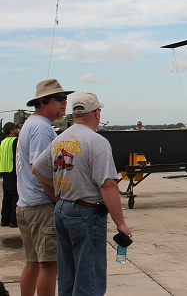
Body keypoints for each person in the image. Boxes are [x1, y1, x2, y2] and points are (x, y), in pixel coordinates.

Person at [32, 92, 132, 296]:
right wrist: (120, 223)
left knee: (68, 278)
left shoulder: (60, 139)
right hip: (87, 213)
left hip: (62, 210)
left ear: (75, 114)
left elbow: (38, 170)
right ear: (97, 113)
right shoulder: (97, 142)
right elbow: (107, 185)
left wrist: (59, 198)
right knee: (90, 280)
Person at [16, 79, 73, 296]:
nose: (64, 102)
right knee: (49, 265)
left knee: (32, 263)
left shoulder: (31, 124)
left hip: (26, 205)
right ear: (43, 101)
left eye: (65, 98)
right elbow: (40, 171)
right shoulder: (41, 129)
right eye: (59, 98)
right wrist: (58, 201)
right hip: (41, 206)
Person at [1, 122, 20, 228]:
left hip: (5, 171)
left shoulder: (3, 142)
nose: (17, 130)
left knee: (7, 197)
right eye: (16, 128)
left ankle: (4, 220)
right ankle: (13, 221)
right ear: (11, 131)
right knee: (15, 197)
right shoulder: (15, 141)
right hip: (13, 171)